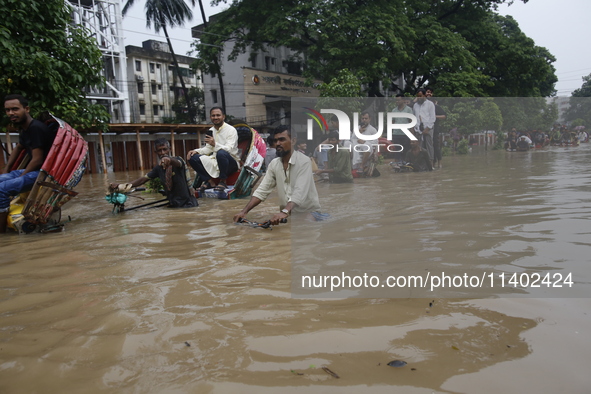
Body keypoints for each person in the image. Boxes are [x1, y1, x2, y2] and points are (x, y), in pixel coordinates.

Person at [233, 126, 322, 225]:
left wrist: (284, 212)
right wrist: (244, 212)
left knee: (306, 224)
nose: (278, 144)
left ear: (293, 141)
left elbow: (299, 192)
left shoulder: (304, 161)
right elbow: (262, 190)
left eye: (282, 140)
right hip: (288, 213)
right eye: (276, 141)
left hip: (310, 212)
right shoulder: (274, 164)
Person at [1, 94, 56, 232]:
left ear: (26, 109)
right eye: (7, 110)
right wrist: (6, 168)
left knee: (1, 190)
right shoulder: (25, 127)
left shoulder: (35, 128)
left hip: (41, 173)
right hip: (31, 171)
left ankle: (1, 232)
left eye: (15, 109)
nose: (11, 113)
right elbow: (19, 147)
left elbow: (37, 159)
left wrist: (20, 178)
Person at [110, 138, 198, 208]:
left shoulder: (178, 161)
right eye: (160, 151)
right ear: (156, 152)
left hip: (188, 205)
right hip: (174, 204)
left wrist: (169, 160)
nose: (162, 153)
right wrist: (122, 186)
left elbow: (177, 163)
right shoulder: (158, 169)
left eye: (165, 149)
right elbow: (142, 180)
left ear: (169, 149)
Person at [187, 107, 239, 192]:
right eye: (213, 115)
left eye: (218, 115)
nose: (215, 117)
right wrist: (196, 151)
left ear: (223, 117)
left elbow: (229, 149)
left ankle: (223, 181)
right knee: (192, 157)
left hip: (230, 162)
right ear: (210, 117)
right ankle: (209, 181)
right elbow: (208, 149)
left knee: (221, 153)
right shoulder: (211, 130)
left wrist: (215, 144)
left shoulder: (231, 130)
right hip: (215, 161)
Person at [413, 88, 436, 162]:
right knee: (419, 146)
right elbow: (414, 117)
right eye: (418, 96)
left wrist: (427, 128)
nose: (419, 98)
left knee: (429, 146)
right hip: (418, 129)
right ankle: (421, 163)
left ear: (424, 95)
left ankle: (431, 162)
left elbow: (432, 118)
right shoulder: (415, 105)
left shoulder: (430, 104)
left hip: (428, 128)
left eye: (421, 96)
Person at [425, 87, 447, 168]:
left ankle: (439, 163)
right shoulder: (422, 106)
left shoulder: (435, 106)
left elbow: (444, 116)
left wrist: (434, 116)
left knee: (435, 145)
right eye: (427, 92)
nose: (428, 94)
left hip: (435, 128)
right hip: (425, 128)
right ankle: (431, 163)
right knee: (427, 146)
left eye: (430, 92)